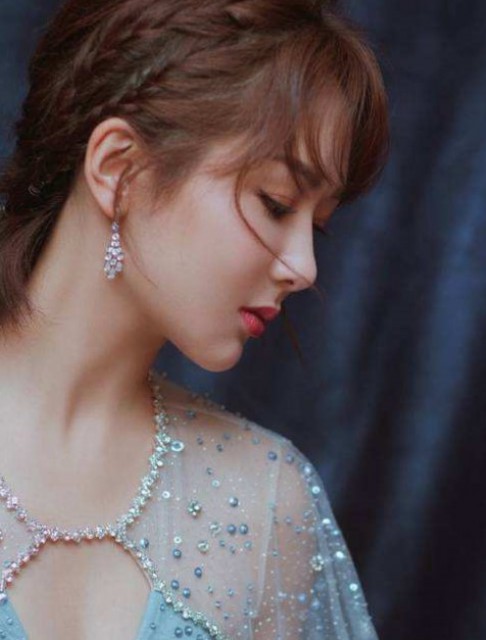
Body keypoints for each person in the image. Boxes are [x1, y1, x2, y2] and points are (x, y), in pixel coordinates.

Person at [0, 0, 389, 638]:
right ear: (118, 168)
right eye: (276, 203)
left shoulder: (267, 501)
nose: (304, 267)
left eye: (316, 226)